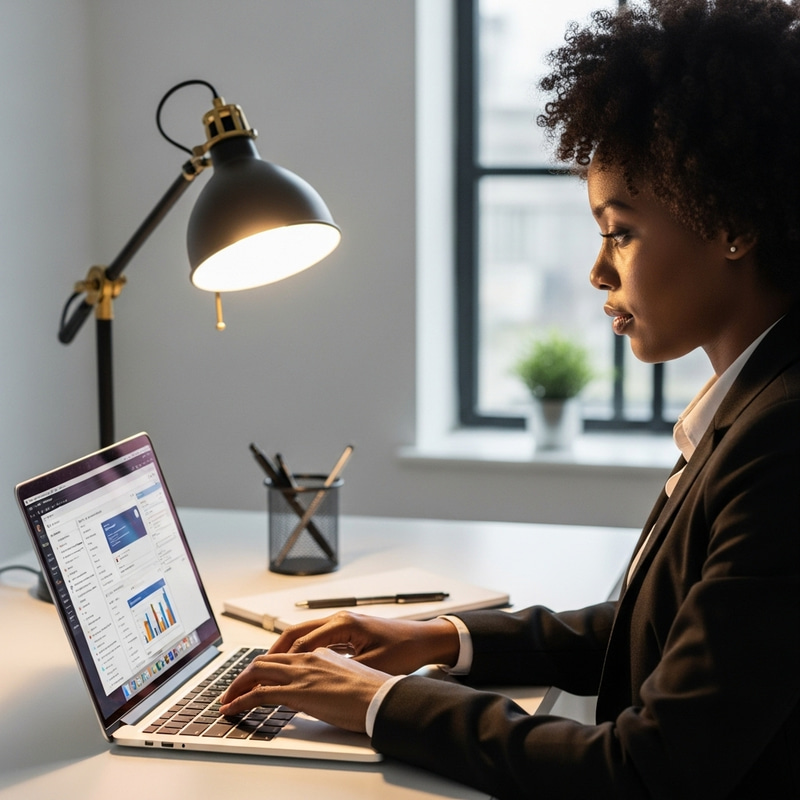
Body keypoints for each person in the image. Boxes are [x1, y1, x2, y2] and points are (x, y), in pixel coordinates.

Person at [220, 1, 800, 796]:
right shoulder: (758, 404)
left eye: (619, 230)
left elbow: (647, 770)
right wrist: (437, 639)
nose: (599, 271)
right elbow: (654, 633)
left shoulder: (783, 441)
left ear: (731, 223)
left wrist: (383, 704)